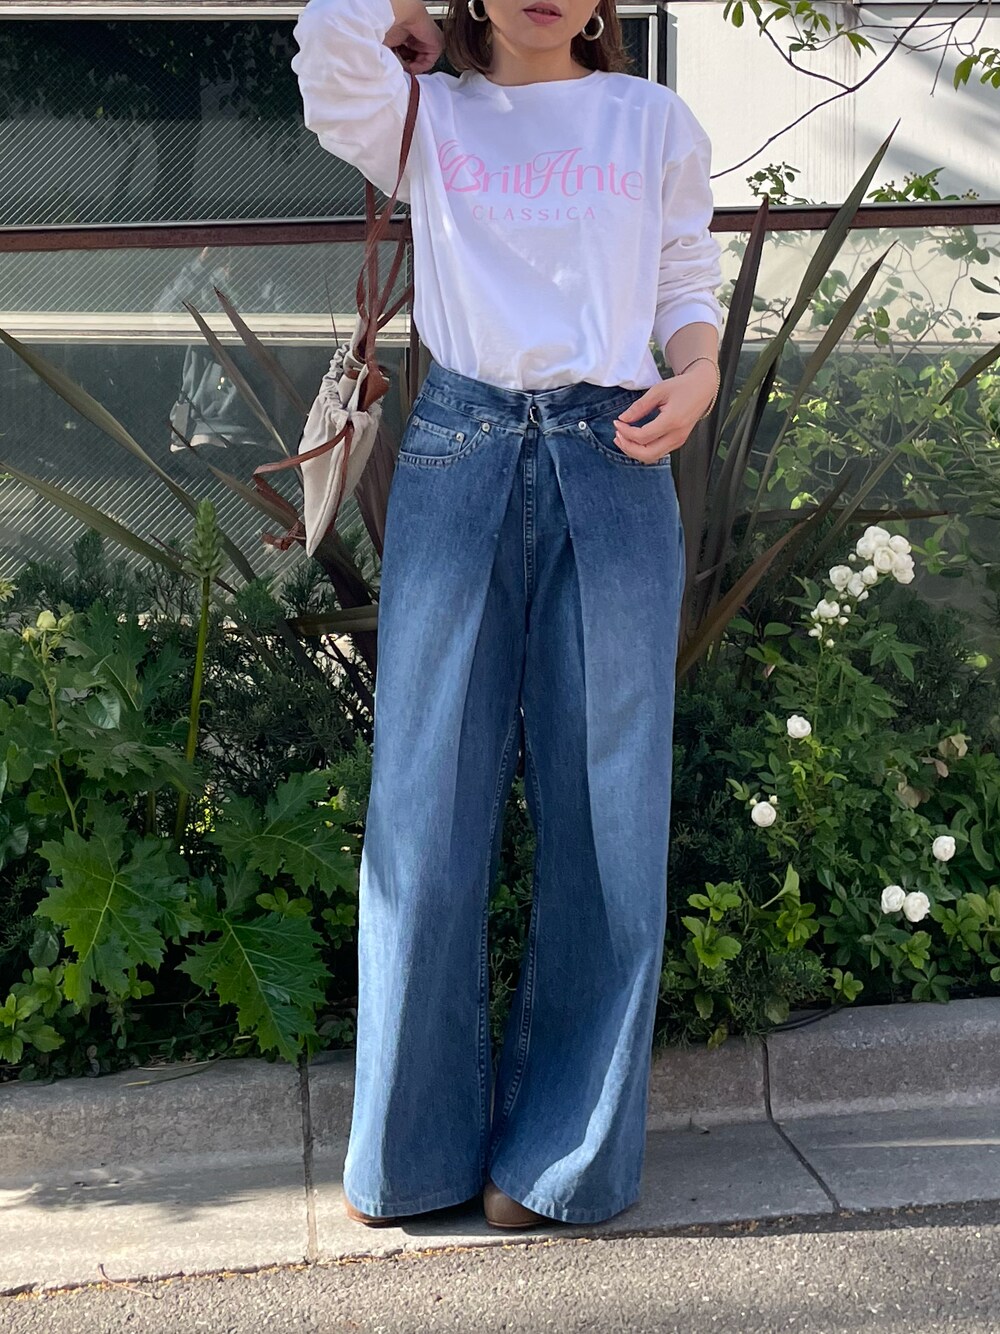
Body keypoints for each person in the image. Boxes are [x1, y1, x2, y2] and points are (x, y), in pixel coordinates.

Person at [291, 0, 724, 1231]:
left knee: (607, 809)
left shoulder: (651, 121)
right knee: (421, 802)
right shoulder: (427, 113)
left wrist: (697, 375)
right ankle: (410, 1149)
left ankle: (563, 1159)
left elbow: (682, 276)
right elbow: (326, 44)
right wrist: (408, 16)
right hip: (460, 447)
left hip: (617, 453)